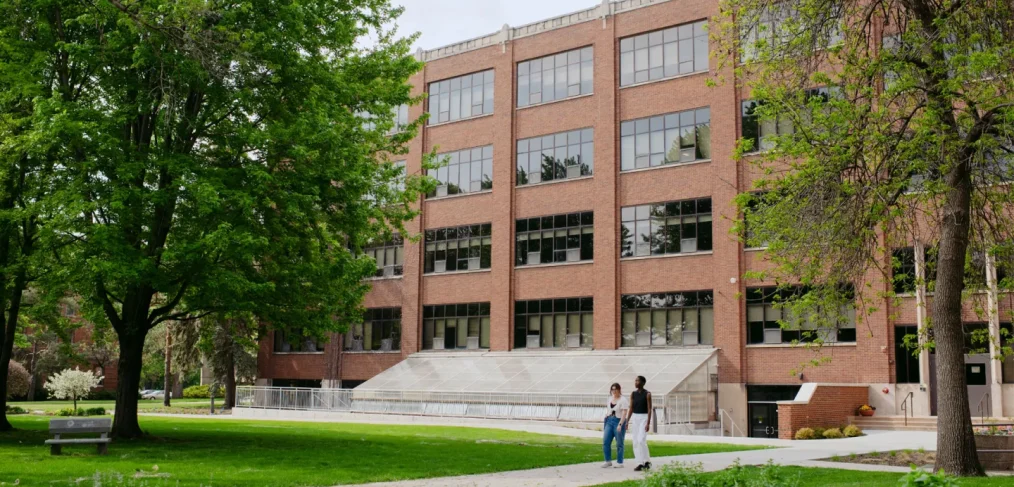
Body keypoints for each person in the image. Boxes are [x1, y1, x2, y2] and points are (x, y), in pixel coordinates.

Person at [624, 375, 652, 471]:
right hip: (635, 417)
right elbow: (631, 408)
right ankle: (639, 462)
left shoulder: (647, 394)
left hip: (644, 417)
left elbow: (649, 409)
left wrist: (648, 423)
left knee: (641, 440)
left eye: (638, 381)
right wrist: (627, 421)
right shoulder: (633, 394)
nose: (635, 382)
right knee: (635, 441)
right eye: (635, 381)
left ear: (643, 383)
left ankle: (647, 461)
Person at [602, 382, 628, 468]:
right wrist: (607, 415)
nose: (614, 391)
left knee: (619, 443)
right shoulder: (610, 398)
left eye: (615, 389)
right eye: (612, 389)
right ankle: (607, 460)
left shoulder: (623, 400)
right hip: (609, 420)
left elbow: (624, 413)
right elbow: (608, 408)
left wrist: (620, 424)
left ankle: (620, 462)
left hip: (618, 420)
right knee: (606, 441)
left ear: (619, 390)